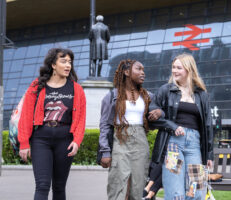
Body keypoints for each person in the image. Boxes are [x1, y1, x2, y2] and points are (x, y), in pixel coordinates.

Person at [18, 48, 86, 200]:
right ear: (53, 65)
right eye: (63, 61)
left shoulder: (76, 89)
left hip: (65, 140)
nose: (68, 65)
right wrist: (24, 143)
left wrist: (77, 140)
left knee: (59, 187)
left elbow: (81, 118)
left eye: (70, 62)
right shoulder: (37, 86)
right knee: (42, 185)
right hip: (41, 139)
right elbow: (26, 116)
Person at [149, 53, 213, 200]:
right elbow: (151, 115)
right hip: (173, 144)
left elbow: (208, 124)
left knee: (197, 190)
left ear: (189, 70)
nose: (174, 71)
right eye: (173, 67)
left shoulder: (201, 94)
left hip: (194, 145)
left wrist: (209, 154)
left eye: (179, 68)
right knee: (175, 193)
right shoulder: (166, 90)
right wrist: (171, 126)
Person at [99, 59, 162, 200]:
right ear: (127, 72)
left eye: (143, 70)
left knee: (138, 187)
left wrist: (159, 112)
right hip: (119, 141)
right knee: (117, 185)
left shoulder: (148, 96)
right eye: (138, 69)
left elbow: (162, 112)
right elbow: (104, 125)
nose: (143, 73)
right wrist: (105, 151)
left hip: (140, 143)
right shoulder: (112, 96)